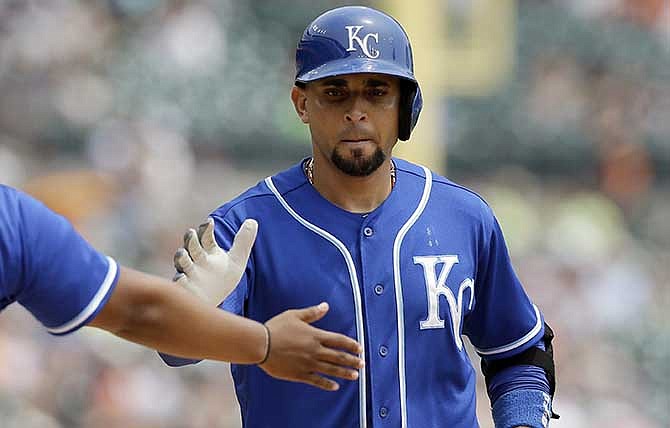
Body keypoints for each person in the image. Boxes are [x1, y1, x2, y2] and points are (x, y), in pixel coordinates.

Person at [165, 6, 558, 428]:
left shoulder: (463, 216)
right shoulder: (245, 228)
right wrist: (187, 313)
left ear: (405, 105)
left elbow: (520, 352)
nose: (357, 111)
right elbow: (175, 350)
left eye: (376, 91)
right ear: (302, 103)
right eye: (335, 92)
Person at [0, 184, 364, 391]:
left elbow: (140, 313)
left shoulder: (15, 223)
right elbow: (136, 313)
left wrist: (261, 342)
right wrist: (265, 344)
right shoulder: (12, 221)